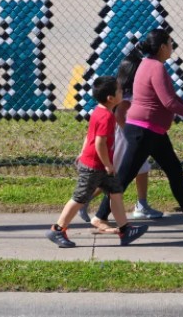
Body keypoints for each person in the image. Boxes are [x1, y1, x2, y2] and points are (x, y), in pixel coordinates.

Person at [90, 29, 183, 232]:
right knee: (124, 176)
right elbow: (169, 102)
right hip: (143, 132)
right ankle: (99, 216)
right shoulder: (156, 67)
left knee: (174, 171)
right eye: (170, 43)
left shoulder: (148, 65)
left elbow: (171, 97)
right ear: (162, 47)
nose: (172, 47)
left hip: (153, 132)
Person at [45, 76, 148, 248]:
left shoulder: (99, 111)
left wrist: (83, 151)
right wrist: (108, 164)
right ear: (111, 98)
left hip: (99, 164)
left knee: (116, 193)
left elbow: (90, 135)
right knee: (79, 198)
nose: (123, 92)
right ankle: (58, 229)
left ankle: (125, 230)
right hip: (94, 167)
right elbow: (99, 143)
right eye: (120, 90)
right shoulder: (106, 117)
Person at [78, 49, 164, 223]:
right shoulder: (126, 94)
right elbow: (119, 116)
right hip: (123, 138)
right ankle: (84, 201)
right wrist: (131, 135)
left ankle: (142, 204)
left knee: (141, 169)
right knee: (116, 175)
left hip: (125, 135)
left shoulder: (123, 89)